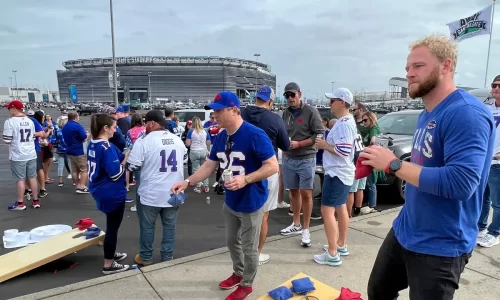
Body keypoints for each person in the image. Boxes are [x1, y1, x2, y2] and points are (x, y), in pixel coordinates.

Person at [362, 34, 494, 300]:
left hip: (441, 245)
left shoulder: (466, 113)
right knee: (378, 291)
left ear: (446, 66)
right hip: (406, 229)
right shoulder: (426, 113)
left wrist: (393, 163)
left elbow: (461, 183)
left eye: (418, 66)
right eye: (408, 68)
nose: (409, 73)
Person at [170, 91, 279, 300]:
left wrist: (246, 179)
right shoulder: (221, 136)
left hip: (251, 200)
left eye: (219, 111)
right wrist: (187, 182)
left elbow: (273, 166)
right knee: (231, 241)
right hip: (231, 200)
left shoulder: (255, 134)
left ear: (234, 110)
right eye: (213, 111)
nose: (215, 115)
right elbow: (210, 165)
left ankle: (247, 284)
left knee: (249, 247)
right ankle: (238, 273)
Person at [127, 110, 188, 265]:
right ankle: (167, 256)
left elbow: (132, 166)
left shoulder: (144, 141)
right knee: (170, 226)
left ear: (151, 123)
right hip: (174, 191)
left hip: (150, 193)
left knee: (147, 227)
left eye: (145, 123)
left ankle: (146, 257)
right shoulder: (176, 140)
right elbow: (185, 159)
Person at [241, 85, 290, 265]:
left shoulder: (241, 114)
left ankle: (242, 251)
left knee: (241, 212)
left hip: (242, 169)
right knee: (263, 215)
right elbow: (285, 145)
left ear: (255, 98)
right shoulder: (274, 119)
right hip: (266, 169)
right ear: (270, 101)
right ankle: (256, 254)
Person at [314, 88, 356, 266]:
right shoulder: (346, 121)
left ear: (342, 102)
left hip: (337, 172)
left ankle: (332, 253)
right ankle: (340, 244)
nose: (329, 104)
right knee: (340, 208)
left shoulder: (344, 123)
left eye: (332, 101)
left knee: (327, 210)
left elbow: (343, 150)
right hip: (342, 172)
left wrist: (324, 145)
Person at [280, 82, 324, 246]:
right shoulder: (285, 113)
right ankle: (296, 224)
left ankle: (306, 229)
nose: (290, 98)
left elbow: (319, 133)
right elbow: (282, 133)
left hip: (306, 157)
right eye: (287, 96)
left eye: (292, 95)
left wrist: (300, 144)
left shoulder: (311, 111)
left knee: (306, 193)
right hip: (289, 158)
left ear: (299, 94)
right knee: (293, 192)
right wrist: (283, 145)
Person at [87, 113, 129, 275]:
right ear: (105, 128)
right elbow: (116, 174)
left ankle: (110, 253)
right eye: (113, 127)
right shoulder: (106, 147)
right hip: (111, 192)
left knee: (111, 226)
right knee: (112, 228)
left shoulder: (93, 144)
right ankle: (108, 264)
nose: (115, 130)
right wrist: (126, 159)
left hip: (99, 189)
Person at [3, 100, 40, 210]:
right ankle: (35, 200)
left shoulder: (10, 122)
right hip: (31, 153)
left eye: (9, 108)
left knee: (20, 179)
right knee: (32, 177)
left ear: (14, 109)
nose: (9, 111)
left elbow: (7, 140)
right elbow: (33, 137)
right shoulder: (30, 121)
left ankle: (20, 203)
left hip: (18, 154)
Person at [478, 74, 500, 248]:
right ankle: (480, 227)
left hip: (498, 164)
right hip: (484, 161)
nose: (496, 89)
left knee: (497, 202)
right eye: (494, 85)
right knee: (482, 197)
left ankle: (495, 232)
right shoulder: (486, 108)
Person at [62, 111, 89, 193]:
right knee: (84, 169)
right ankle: (82, 186)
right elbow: (83, 137)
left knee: (74, 170)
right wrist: (88, 135)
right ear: (75, 117)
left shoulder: (65, 126)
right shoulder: (77, 126)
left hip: (70, 150)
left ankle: (77, 185)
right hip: (79, 150)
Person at [185, 117, 211, 193]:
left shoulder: (190, 132)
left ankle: (198, 187)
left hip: (194, 151)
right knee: (205, 169)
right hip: (203, 150)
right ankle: (206, 186)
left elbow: (188, 144)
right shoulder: (205, 131)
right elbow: (208, 143)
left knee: (196, 169)